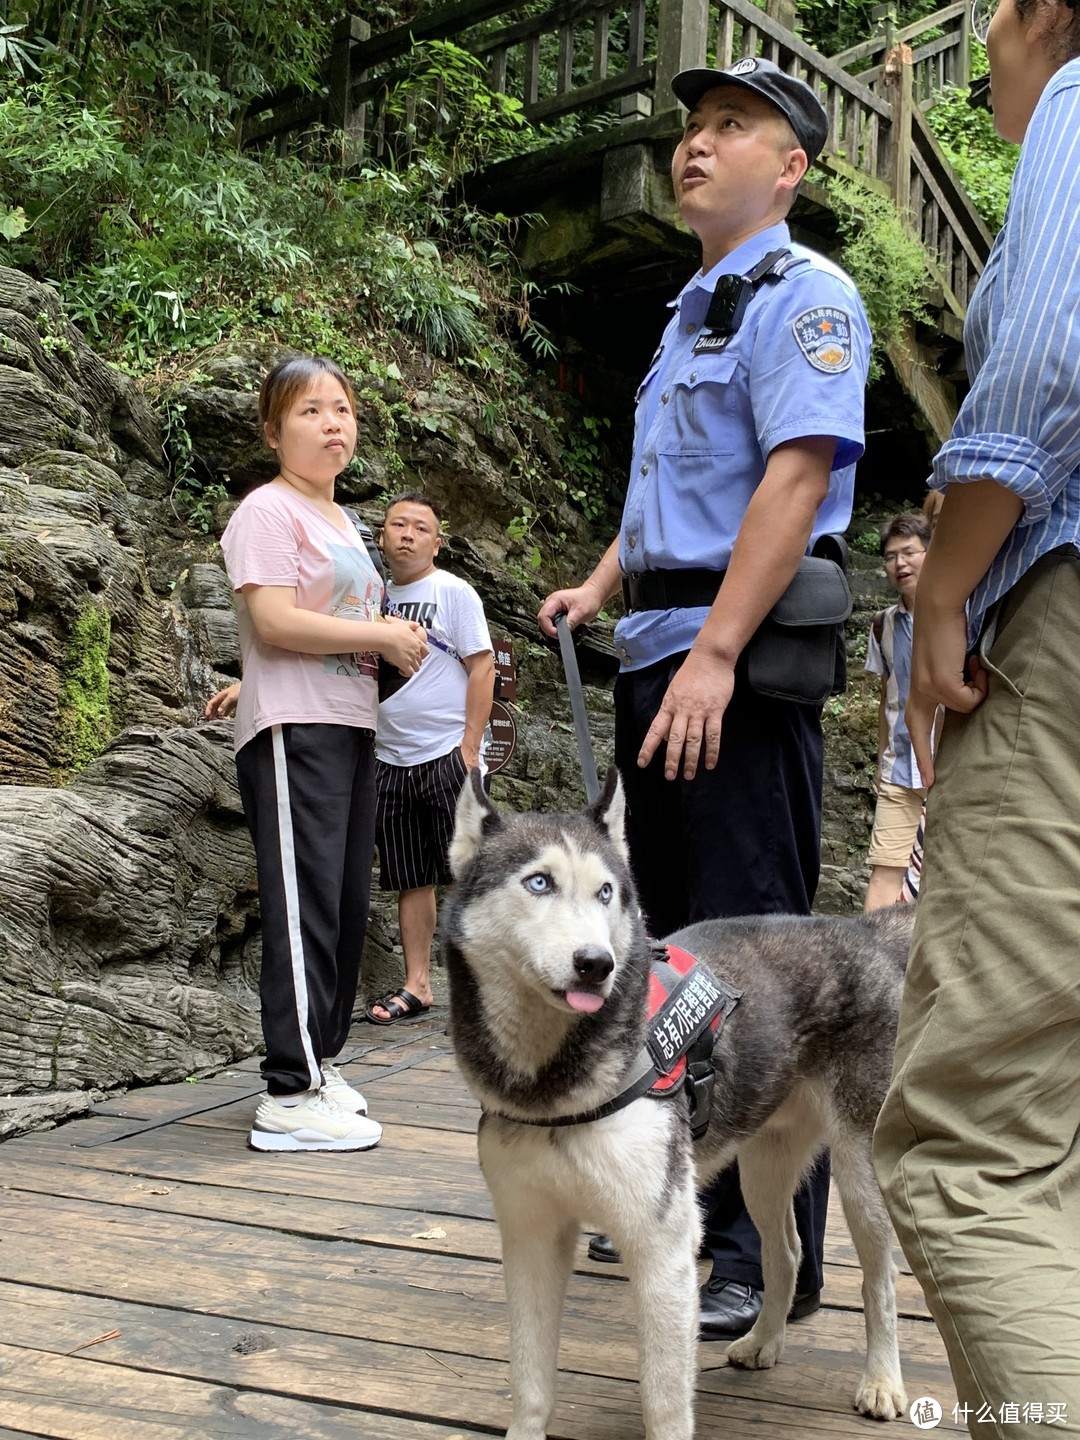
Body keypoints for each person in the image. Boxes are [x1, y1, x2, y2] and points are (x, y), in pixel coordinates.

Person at [538, 58, 871, 1340]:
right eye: (690, 126)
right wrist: (596, 585)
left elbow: (793, 480)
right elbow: (669, 500)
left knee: (758, 964)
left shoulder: (808, 297)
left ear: (788, 168)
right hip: (660, 656)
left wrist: (720, 653)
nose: (697, 143)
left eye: (733, 127)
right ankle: (689, 1212)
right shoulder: (690, 314)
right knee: (669, 952)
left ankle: (765, 1252)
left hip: (731, 669)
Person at [873, 3, 1080, 1431]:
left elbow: (1048, 357)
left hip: (1059, 630)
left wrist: (946, 588)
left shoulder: (1076, 102)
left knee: (977, 1143)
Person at [218, 352, 428, 1152]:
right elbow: (272, 621)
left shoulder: (340, 521)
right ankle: (288, 1089)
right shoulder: (267, 513)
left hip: (347, 725)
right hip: (295, 731)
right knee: (303, 901)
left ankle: (320, 1059)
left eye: (340, 408)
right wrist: (380, 632)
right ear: (274, 432)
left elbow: (307, 627)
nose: (331, 422)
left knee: (340, 902)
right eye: (309, 411)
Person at [365, 491, 495, 1024]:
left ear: (437, 543)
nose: (408, 534)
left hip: (446, 752)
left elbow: (482, 666)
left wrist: (469, 746)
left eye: (421, 528)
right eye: (398, 525)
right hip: (389, 756)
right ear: (381, 536)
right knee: (410, 875)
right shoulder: (369, 597)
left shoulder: (453, 592)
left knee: (474, 870)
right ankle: (419, 985)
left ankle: (490, 985)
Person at [863, 513, 931, 911]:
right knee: (884, 871)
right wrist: (880, 757)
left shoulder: (964, 613)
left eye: (909, 552)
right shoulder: (882, 625)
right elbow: (887, 694)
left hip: (952, 764)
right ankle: (866, 964)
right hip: (899, 769)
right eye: (891, 557)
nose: (900, 564)